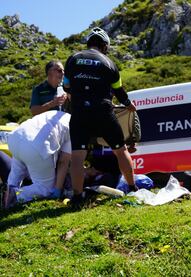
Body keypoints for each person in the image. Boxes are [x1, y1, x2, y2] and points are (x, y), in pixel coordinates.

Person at [63, 27, 137, 206]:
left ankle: (78, 197)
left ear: (89, 44)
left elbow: (66, 87)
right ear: (104, 46)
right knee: (121, 150)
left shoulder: (72, 60)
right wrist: (128, 105)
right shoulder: (110, 64)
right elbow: (119, 91)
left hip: (80, 112)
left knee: (78, 156)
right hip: (103, 112)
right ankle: (133, 189)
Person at [1, 111, 71, 209]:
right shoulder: (74, 126)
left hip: (15, 137)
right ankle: (16, 196)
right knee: (46, 188)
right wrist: (57, 189)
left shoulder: (60, 114)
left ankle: (8, 191)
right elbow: (63, 161)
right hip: (35, 145)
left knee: (16, 175)